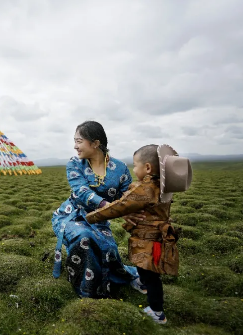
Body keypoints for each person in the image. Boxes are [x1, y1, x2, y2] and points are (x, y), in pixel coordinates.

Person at [86, 144, 192, 324]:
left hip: (148, 241)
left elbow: (120, 207)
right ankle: (143, 286)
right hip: (155, 239)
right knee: (146, 270)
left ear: (148, 168)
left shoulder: (146, 189)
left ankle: (157, 312)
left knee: (151, 275)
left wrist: (91, 217)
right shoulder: (162, 186)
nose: (133, 169)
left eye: (135, 165)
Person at [51, 121, 146, 299]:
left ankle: (121, 278)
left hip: (99, 221)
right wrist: (110, 207)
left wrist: (130, 211)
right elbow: (81, 191)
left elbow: (127, 196)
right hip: (71, 216)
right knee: (84, 238)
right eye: (75, 141)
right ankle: (86, 291)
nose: (75, 146)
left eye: (79, 141)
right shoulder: (74, 164)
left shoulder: (120, 168)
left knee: (108, 249)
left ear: (95, 143)